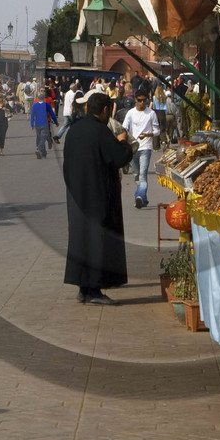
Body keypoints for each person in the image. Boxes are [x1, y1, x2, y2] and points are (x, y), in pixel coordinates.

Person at [63, 93, 134, 305]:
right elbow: (119, 157)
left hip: (76, 195)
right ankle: (94, 290)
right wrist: (123, 142)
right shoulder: (100, 132)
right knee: (96, 242)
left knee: (80, 241)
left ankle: (83, 288)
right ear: (104, 110)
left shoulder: (74, 130)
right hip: (98, 195)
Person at [121, 94, 160, 209]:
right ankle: (143, 199)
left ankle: (138, 196)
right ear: (136, 100)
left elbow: (157, 130)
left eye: (144, 100)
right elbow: (124, 128)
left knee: (142, 176)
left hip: (145, 148)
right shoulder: (131, 113)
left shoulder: (151, 113)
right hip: (133, 148)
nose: (142, 102)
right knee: (137, 175)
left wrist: (148, 134)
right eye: (140, 100)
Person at [30, 92, 57, 159]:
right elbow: (52, 114)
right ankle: (38, 149)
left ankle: (44, 153)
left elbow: (32, 115)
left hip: (37, 124)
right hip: (44, 123)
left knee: (40, 137)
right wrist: (56, 122)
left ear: (38, 98)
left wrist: (32, 124)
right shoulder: (47, 105)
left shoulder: (35, 105)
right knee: (43, 138)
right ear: (44, 98)